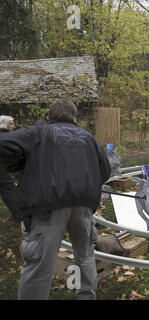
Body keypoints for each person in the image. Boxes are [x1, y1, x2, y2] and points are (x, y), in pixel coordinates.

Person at [0, 99, 111, 300]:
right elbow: (105, 171)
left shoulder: (39, 131)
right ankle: (86, 296)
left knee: (40, 263)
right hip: (83, 206)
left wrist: (19, 165)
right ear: (74, 117)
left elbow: (4, 144)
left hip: (48, 208)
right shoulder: (87, 137)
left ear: (49, 117)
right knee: (85, 256)